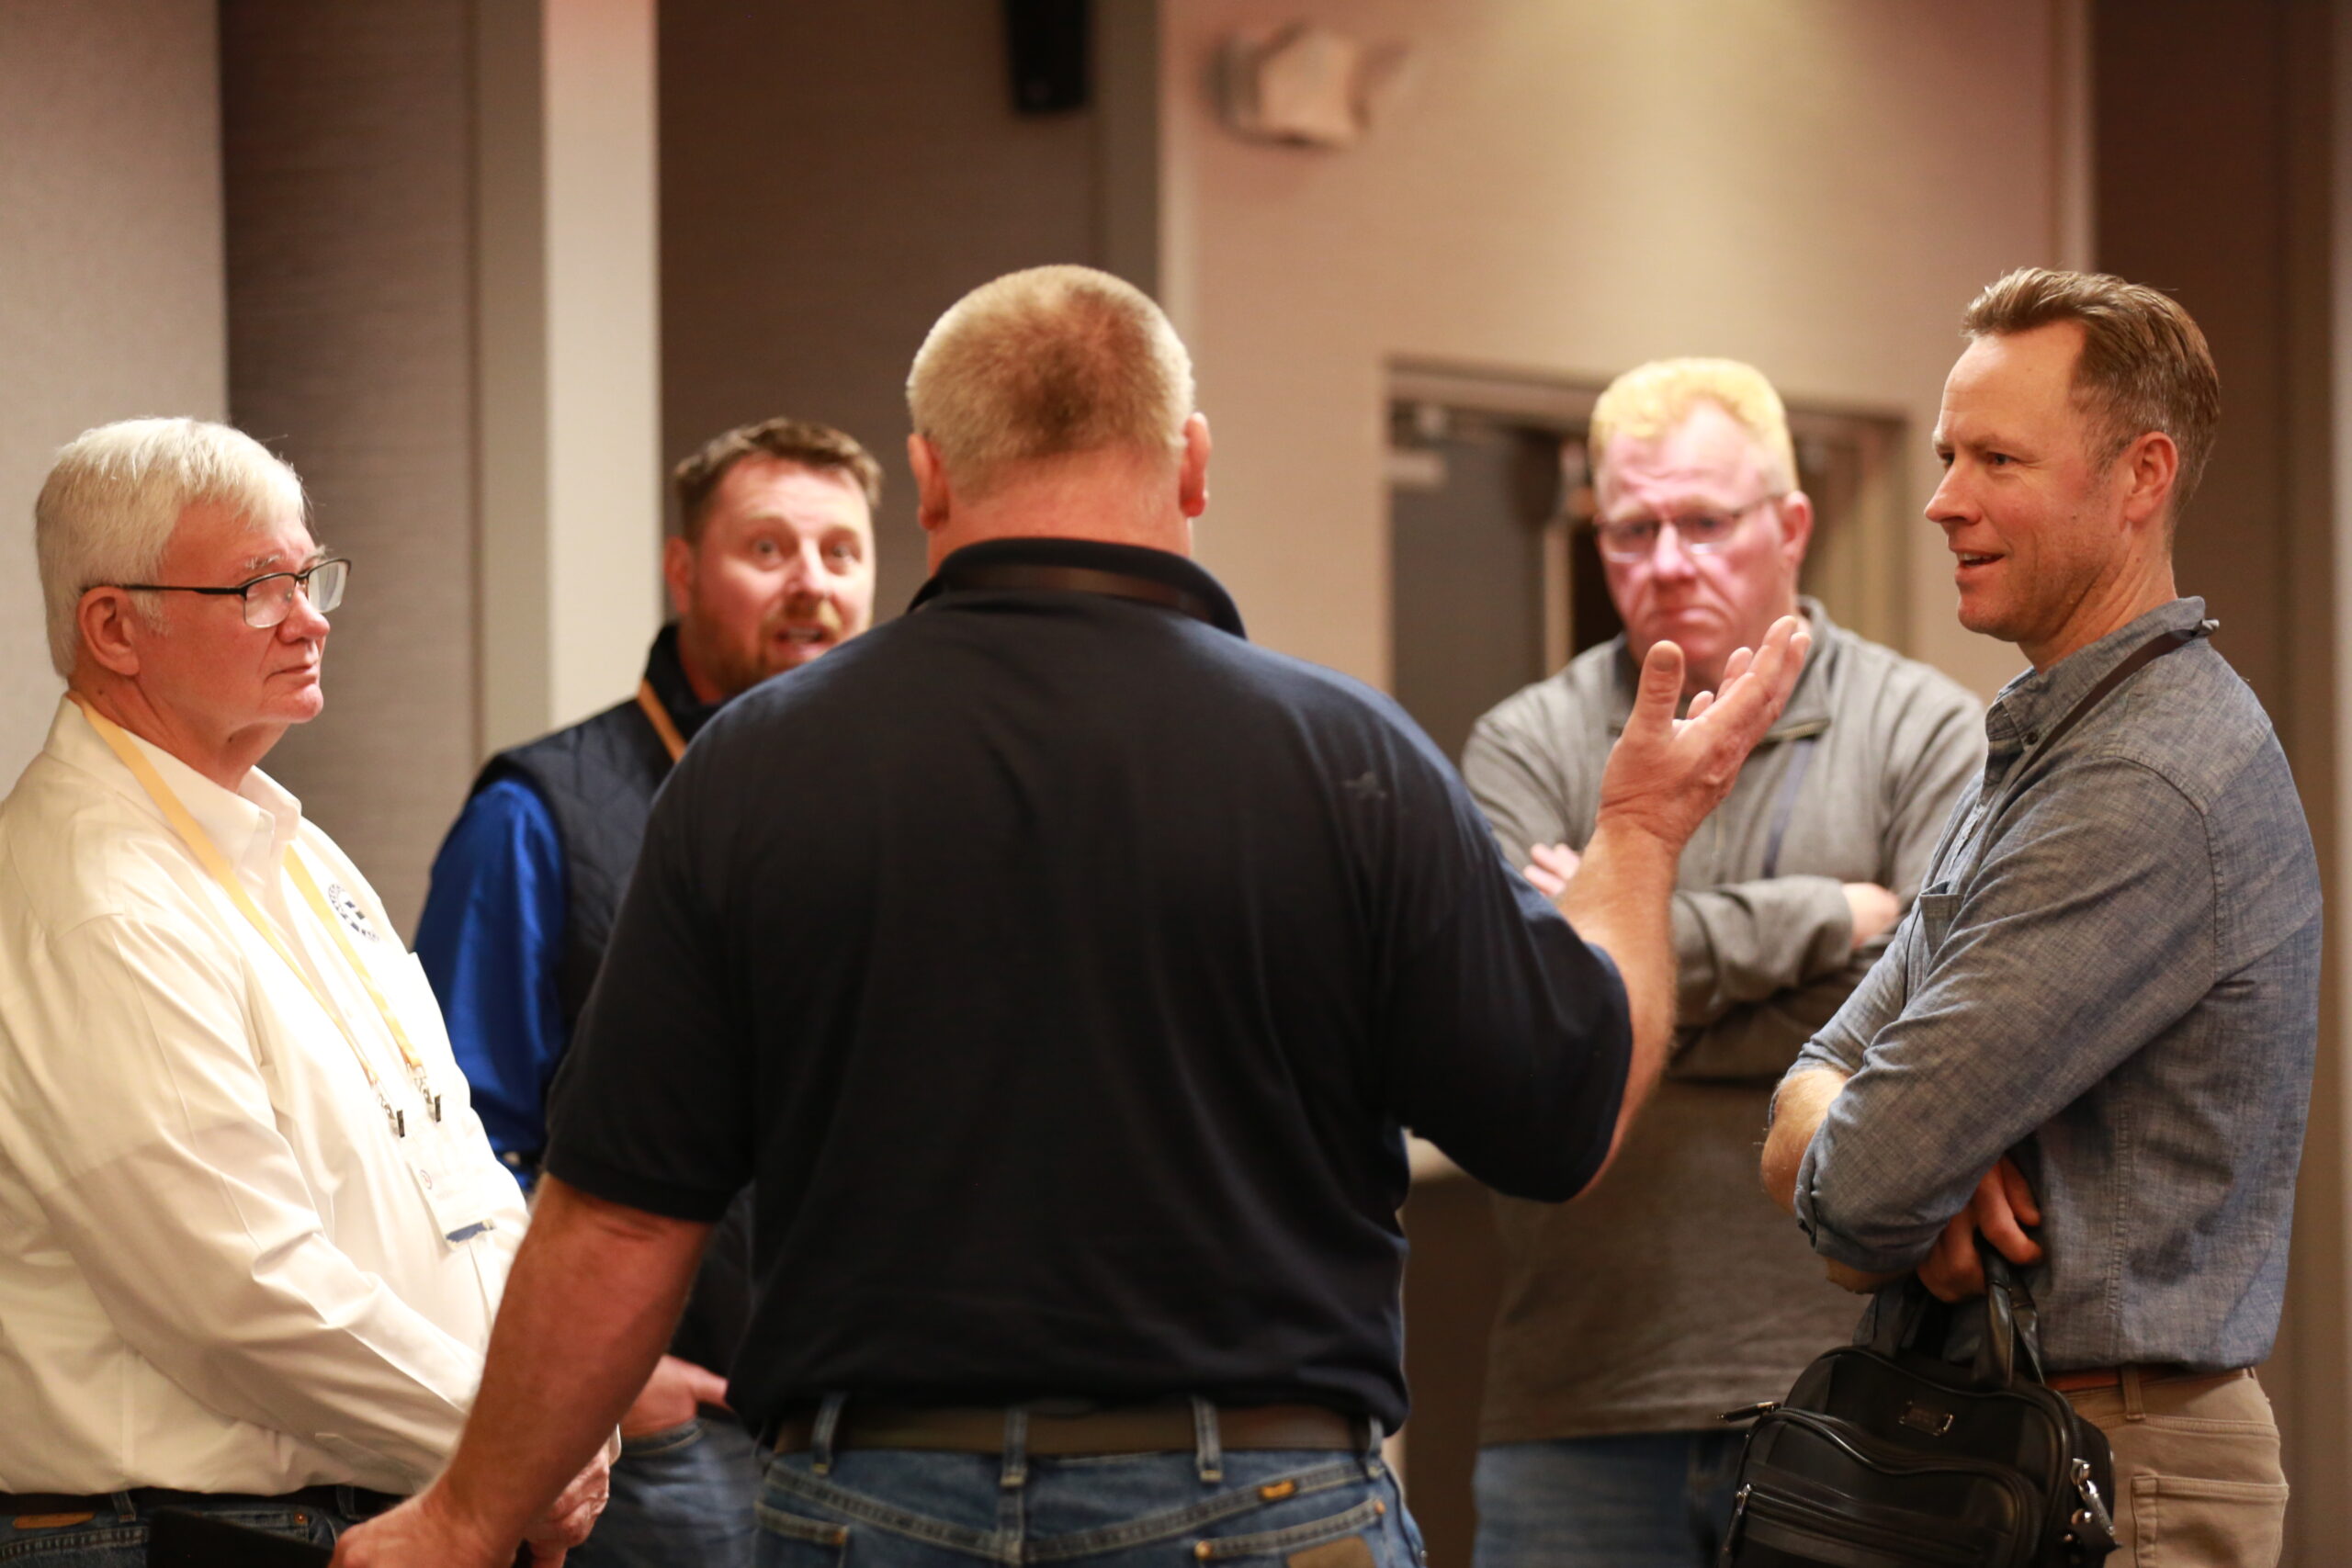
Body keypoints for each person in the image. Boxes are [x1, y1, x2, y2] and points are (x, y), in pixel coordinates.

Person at [333, 264, 1809, 1568]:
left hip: (871, 1495)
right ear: (1194, 462)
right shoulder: (1346, 759)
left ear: (925, 478)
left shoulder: (754, 768)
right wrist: (1638, 833)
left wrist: (466, 1516)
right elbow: (1560, 1118)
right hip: (1268, 1495)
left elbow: (618, 1211)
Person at [1763, 268, 2316, 1564]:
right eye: (1951, 452)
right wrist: (1888, 1151)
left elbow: (1856, 1195)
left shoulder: (2144, 776)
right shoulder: (2052, 746)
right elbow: (1820, 1093)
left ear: (2142, 478)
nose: (1944, 496)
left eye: (1999, 457)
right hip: (2005, 1439)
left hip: (2114, 1470)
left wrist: (1892, 1161)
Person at [0, 417, 603, 1562]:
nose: (312, 616)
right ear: (115, 627)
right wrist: (520, 1431)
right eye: (260, 587)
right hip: (176, 1532)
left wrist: (559, 1388)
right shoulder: (98, 895)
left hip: (366, 1501)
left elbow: (454, 1163)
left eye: (311, 574)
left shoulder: (292, 845)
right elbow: (235, 1288)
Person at [1462, 359, 1983, 1568]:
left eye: (1704, 521)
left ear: (1790, 525)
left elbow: (1939, 1034)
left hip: (1860, 1401)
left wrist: (1627, 958)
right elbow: (1532, 1028)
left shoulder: (1923, 731)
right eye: (1632, 527)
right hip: (1576, 1402)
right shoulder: (1525, 744)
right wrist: (1828, 917)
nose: (1666, 559)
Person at [414, 417, 882, 1568]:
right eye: (768, 549)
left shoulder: (899, 811)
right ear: (683, 571)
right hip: (664, 1442)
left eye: (840, 553)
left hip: (877, 1428)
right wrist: (619, 1385)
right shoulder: (539, 813)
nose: (810, 585)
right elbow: (455, 1145)